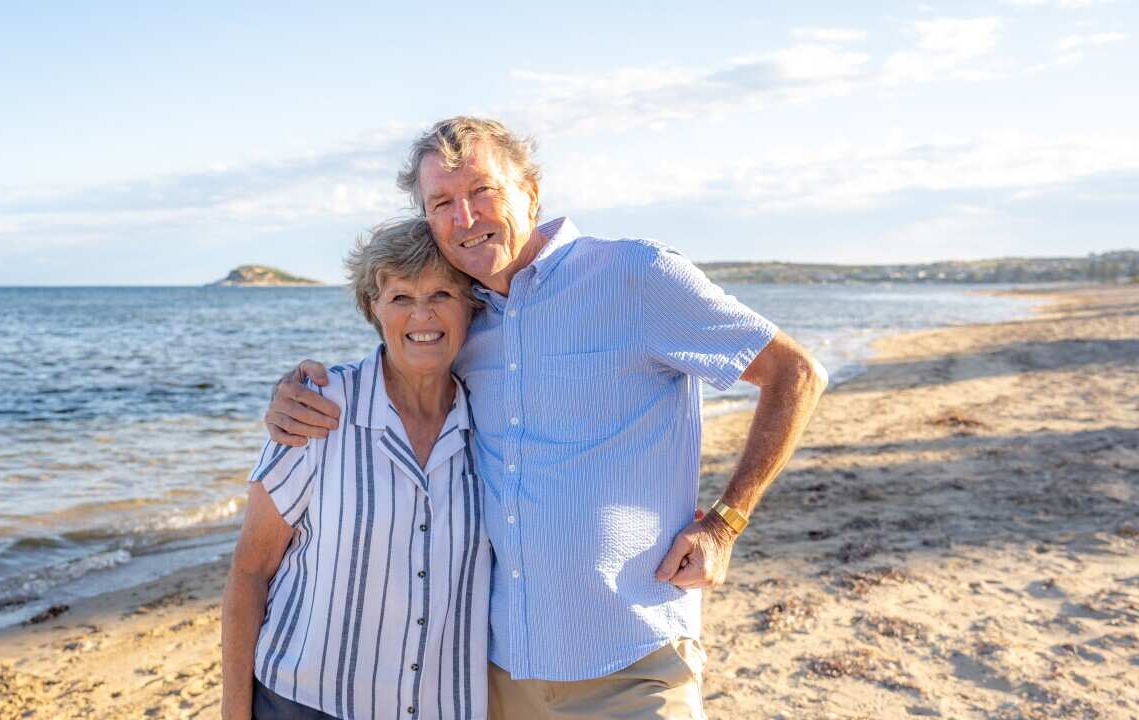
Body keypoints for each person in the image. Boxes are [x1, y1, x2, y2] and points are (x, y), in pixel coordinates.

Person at [265, 117, 828, 719]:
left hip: (634, 660)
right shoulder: (465, 316)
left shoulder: (633, 276)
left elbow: (794, 373)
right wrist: (297, 392)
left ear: (531, 192)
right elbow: (403, 371)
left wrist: (725, 523)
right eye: (443, 203)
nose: (465, 218)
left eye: (483, 192)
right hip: (504, 671)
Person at [222, 218, 491, 720]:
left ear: (470, 304)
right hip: (303, 704)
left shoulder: (495, 422)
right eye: (400, 298)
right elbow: (250, 570)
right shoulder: (318, 410)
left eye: (441, 294)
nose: (422, 315)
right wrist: (235, 712)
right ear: (373, 307)